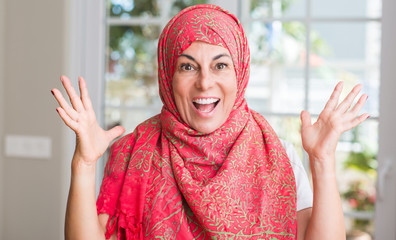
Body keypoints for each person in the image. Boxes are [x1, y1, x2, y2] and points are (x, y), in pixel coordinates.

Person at [51, 4, 369, 240]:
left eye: (220, 65)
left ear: (239, 73)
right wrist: (84, 164)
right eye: (188, 67)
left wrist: (322, 161)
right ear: (167, 77)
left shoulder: (278, 157)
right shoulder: (134, 153)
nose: (205, 83)